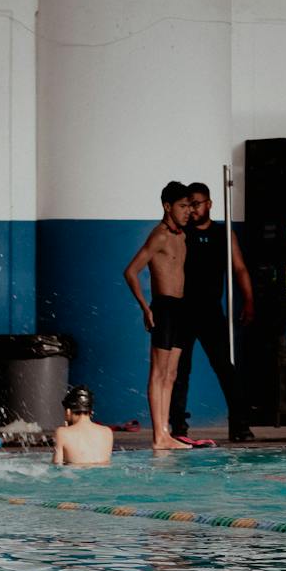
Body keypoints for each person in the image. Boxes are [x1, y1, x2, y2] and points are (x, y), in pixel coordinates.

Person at [168, 183, 255, 445]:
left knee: (225, 369)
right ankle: (178, 426)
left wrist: (249, 301)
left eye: (198, 203)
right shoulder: (181, 233)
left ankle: (240, 425)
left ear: (209, 204)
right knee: (180, 371)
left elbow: (239, 268)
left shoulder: (224, 233)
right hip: (183, 310)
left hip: (210, 312)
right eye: (189, 204)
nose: (194, 209)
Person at [122, 182, 195, 450]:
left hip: (181, 308)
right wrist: (146, 307)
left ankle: (166, 434)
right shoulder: (160, 236)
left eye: (189, 206)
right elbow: (131, 271)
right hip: (163, 307)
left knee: (172, 373)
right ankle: (158, 435)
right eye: (182, 206)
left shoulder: (182, 237)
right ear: (167, 207)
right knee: (158, 372)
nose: (188, 211)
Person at [53, 385, 113, 466]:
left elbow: (56, 465)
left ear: (68, 411)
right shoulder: (107, 432)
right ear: (91, 411)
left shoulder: (62, 433)